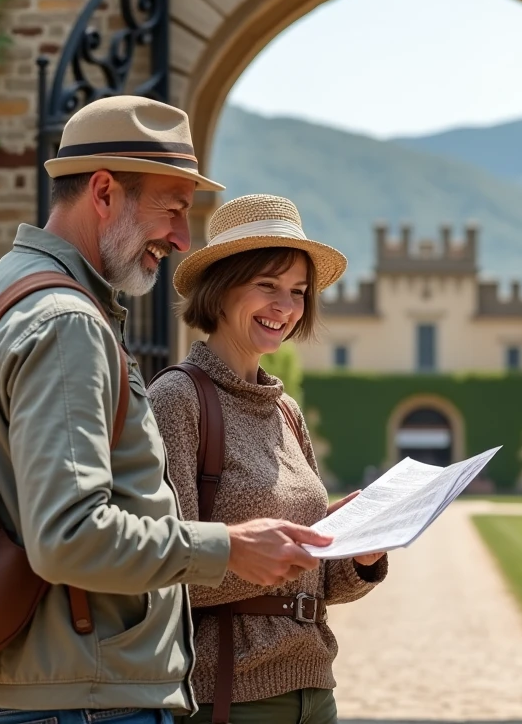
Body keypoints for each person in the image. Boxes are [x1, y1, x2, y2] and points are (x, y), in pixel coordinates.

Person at [0, 97, 332, 724]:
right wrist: (225, 547)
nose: (179, 237)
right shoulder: (66, 322)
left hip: (55, 688)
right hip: (86, 701)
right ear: (103, 192)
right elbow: (68, 536)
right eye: (172, 208)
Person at [149, 194, 389, 724]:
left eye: (298, 292)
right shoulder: (178, 400)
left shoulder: (286, 409)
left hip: (314, 687)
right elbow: (163, 569)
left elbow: (319, 587)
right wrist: (263, 558)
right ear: (222, 287)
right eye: (267, 286)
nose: (286, 306)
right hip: (230, 693)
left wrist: (356, 553)